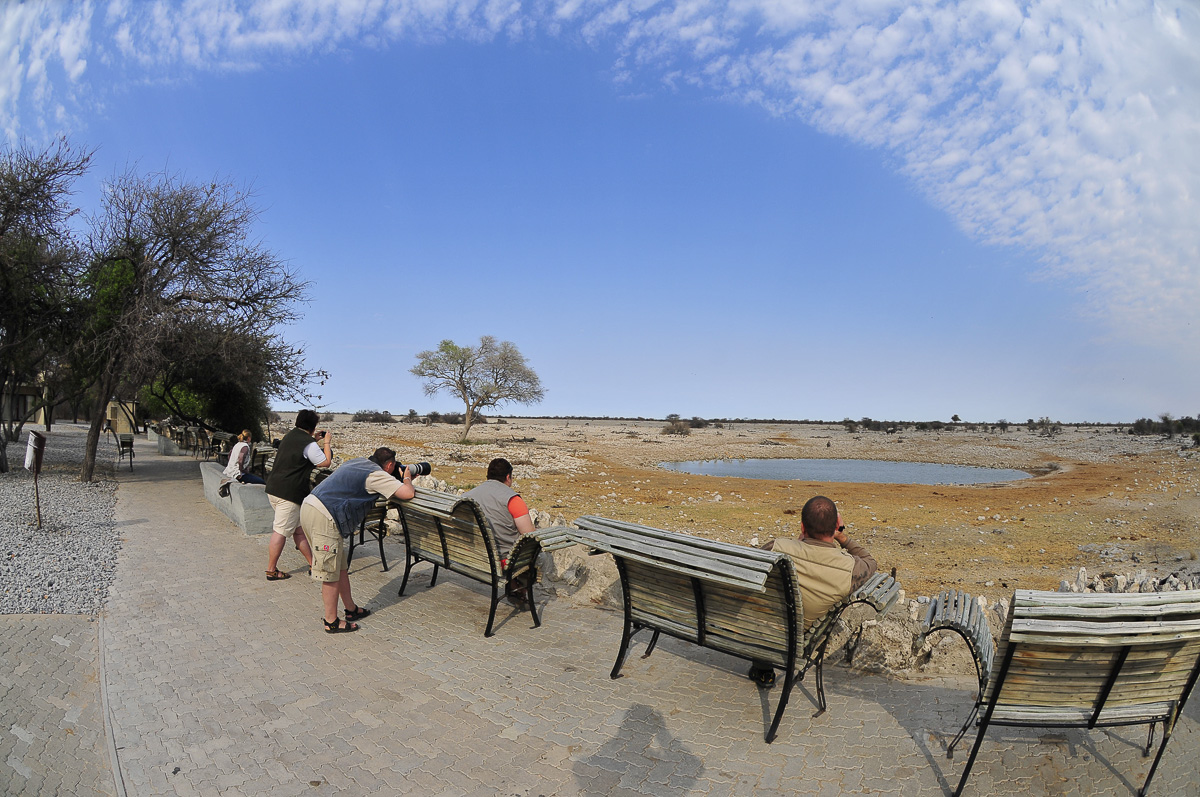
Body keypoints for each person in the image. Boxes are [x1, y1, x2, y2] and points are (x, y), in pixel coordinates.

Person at [748, 495, 877, 688]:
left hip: (754, 630)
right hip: (795, 642)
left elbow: (749, 571)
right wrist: (841, 536)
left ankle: (762, 668)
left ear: (802, 527)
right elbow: (871, 562)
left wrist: (797, 544)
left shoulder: (777, 547)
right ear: (835, 527)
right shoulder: (850, 568)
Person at [300, 447, 416, 633]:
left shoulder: (359, 462)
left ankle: (351, 609)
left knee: (340, 567)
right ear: (390, 465)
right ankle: (331, 622)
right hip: (325, 516)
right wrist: (407, 477)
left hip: (312, 506)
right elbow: (408, 493)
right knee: (329, 572)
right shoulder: (376, 474)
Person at [263, 410, 328, 581]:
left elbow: (299, 452)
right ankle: (271, 570)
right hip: (289, 494)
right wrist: (326, 443)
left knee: (298, 531)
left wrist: (315, 440)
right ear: (313, 427)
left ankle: (314, 564)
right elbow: (325, 462)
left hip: (274, 489)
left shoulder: (290, 436)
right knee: (280, 532)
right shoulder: (309, 443)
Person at [464, 457, 535, 605]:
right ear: (508, 477)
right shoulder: (513, 500)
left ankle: (515, 587)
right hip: (499, 560)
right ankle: (518, 589)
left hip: (472, 554)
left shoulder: (467, 496)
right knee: (535, 553)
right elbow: (530, 535)